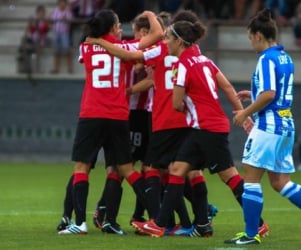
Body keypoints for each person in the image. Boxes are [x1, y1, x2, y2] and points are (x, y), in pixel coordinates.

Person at [130, 19, 269, 238]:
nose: (165, 41)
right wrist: (243, 116)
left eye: (168, 37)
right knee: (178, 170)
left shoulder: (182, 65)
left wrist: (190, 110)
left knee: (229, 176)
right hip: (208, 127)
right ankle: (161, 223)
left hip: (206, 128)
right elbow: (228, 87)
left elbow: (176, 103)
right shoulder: (206, 61)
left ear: (180, 41)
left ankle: (257, 223)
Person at [223, 9, 301, 245]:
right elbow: (273, 92)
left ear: (258, 35)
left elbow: (269, 94)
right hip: (286, 124)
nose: (251, 43)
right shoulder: (285, 57)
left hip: (268, 125)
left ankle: (251, 234)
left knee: (251, 177)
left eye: (250, 37)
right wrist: (252, 94)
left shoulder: (265, 58)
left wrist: (245, 112)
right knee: (280, 182)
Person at [57, 9, 162, 235]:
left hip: (91, 114)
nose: (120, 28)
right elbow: (156, 35)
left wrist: (96, 40)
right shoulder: (125, 47)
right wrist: (151, 16)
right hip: (118, 115)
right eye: (117, 25)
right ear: (112, 28)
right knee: (127, 169)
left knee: (81, 167)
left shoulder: (85, 47)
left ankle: (79, 223)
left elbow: (88, 54)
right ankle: (157, 218)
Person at [50, 0, 74, 74]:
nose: (62, 4)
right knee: (56, 51)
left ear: (65, 4)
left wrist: (65, 19)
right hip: (56, 33)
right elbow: (52, 20)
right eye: (60, 2)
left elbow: (70, 20)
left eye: (63, 2)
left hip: (65, 34)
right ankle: (55, 68)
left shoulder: (68, 12)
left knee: (67, 51)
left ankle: (70, 68)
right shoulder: (55, 11)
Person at [25, 4, 50, 73]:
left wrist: (36, 27)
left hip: (42, 39)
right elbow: (29, 31)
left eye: (42, 13)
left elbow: (44, 31)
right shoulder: (34, 21)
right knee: (28, 46)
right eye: (39, 13)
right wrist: (31, 25)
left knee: (38, 46)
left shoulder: (45, 22)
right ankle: (28, 64)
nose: (41, 15)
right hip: (34, 39)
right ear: (37, 13)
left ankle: (37, 64)